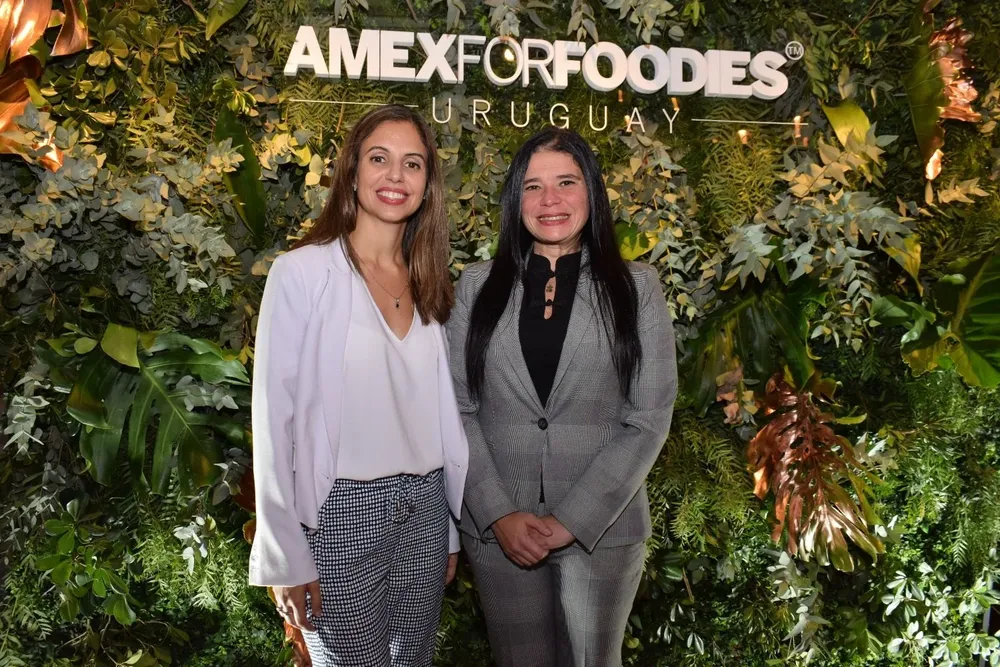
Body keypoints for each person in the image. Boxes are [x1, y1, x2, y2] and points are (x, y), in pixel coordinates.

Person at [448, 127, 677, 667]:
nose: (549, 200)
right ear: (515, 201)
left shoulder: (637, 288)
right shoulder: (477, 286)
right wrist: (499, 513)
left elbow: (648, 417)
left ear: (591, 194)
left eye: (566, 182)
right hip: (500, 533)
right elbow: (454, 408)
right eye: (532, 187)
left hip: (601, 530)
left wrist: (571, 520)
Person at [249, 104, 469, 667]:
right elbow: (273, 422)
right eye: (380, 159)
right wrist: (285, 557)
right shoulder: (301, 273)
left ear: (427, 185)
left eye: (412, 164)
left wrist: (447, 529)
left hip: (424, 506)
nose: (396, 177)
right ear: (351, 171)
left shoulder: (431, 281)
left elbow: (438, 417)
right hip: (341, 511)